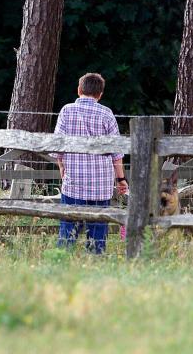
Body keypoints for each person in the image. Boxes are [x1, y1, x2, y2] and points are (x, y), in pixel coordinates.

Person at [52, 72, 128, 254]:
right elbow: (116, 153)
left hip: (74, 183)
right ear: (100, 94)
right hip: (100, 186)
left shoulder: (66, 110)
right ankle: (95, 261)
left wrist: (62, 167)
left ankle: (61, 262)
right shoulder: (106, 114)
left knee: (68, 230)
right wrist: (121, 179)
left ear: (79, 90)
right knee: (97, 232)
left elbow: (57, 146)